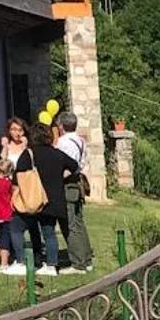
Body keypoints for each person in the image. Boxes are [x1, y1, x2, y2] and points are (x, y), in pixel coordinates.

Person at [0, 116, 62, 276]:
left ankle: (21, 261)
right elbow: (73, 166)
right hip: (51, 199)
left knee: (16, 227)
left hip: (30, 198)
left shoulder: (29, 154)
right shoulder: (55, 153)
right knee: (48, 233)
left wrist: (15, 194)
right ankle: (51, 265)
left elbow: (17, 175)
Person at [55, 110, 94, 272]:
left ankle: (78, 263)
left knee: (70, 223)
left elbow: (67, 166)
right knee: (78, 222)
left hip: (68, 184)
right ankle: (86, 258)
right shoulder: (81, 141)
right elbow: (83, 161)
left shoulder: (64, 142)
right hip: (77, 182)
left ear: (61, 125)